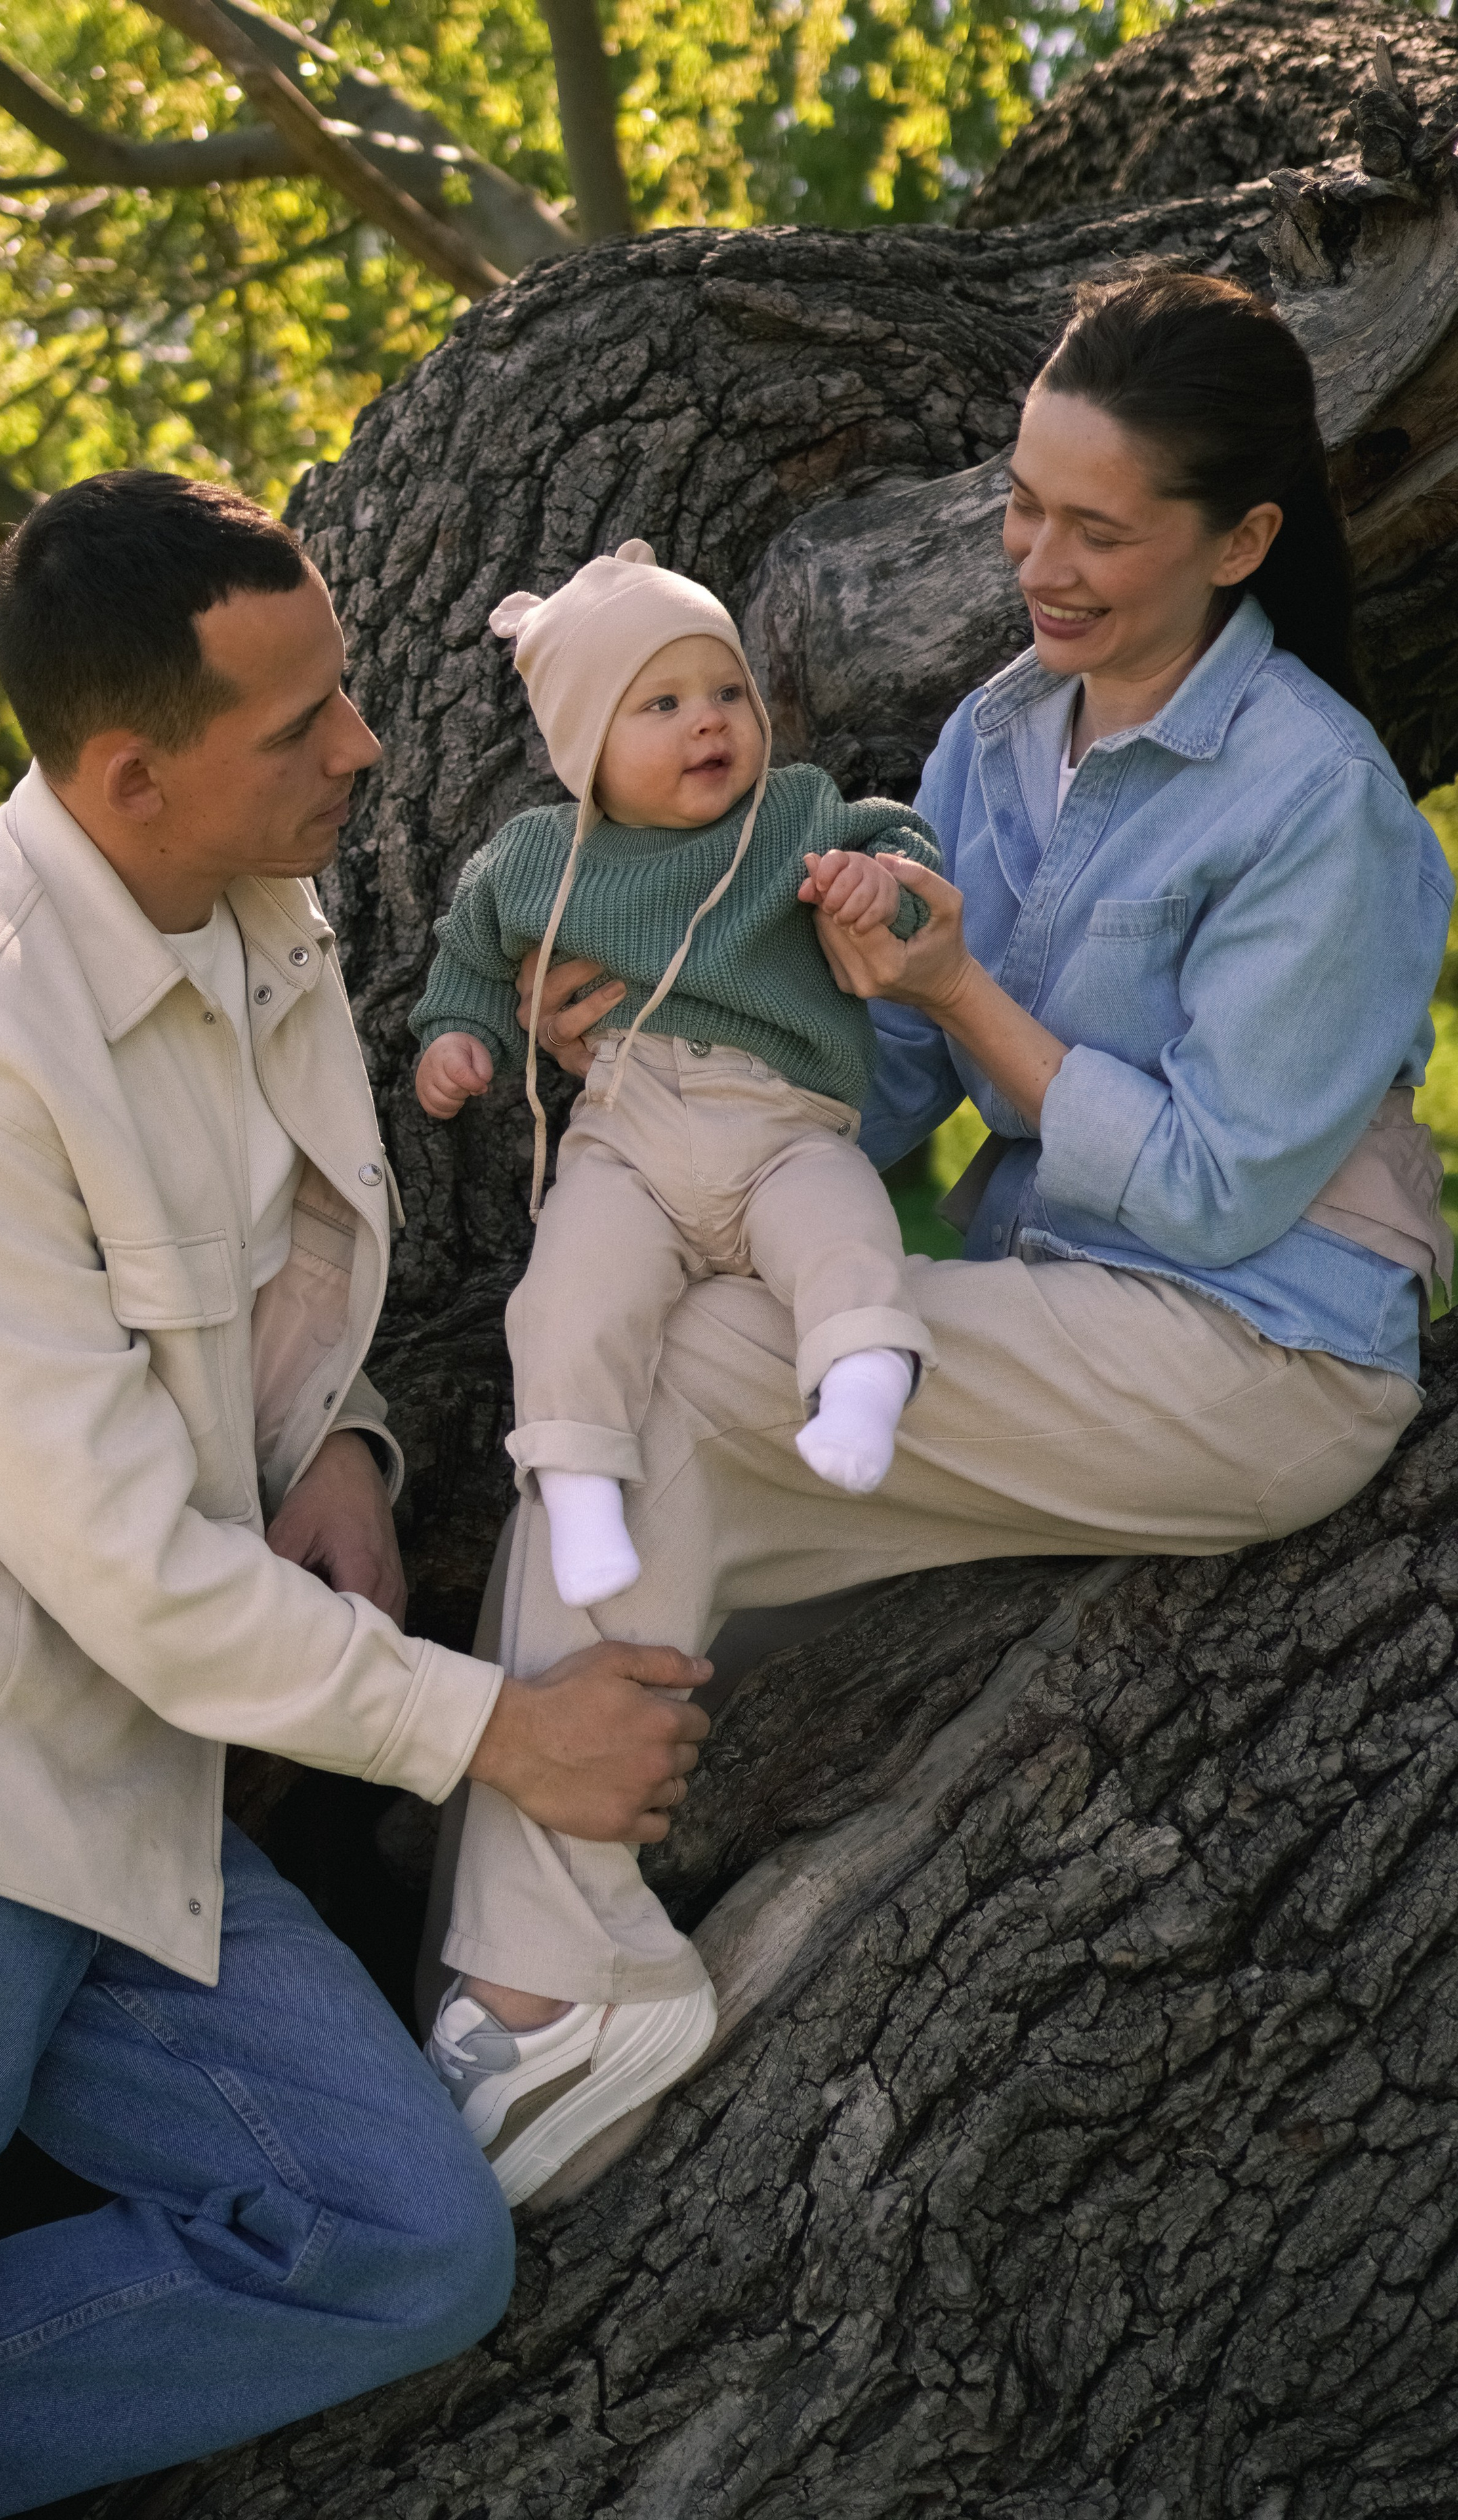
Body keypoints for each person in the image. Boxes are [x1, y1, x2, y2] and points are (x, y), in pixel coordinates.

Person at [425, 270, 1454, 2209]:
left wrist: (973, 1000)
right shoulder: (993, 738)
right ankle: (532, 1991)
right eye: (1021, 506)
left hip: (1270, 1349)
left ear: (1240, 541)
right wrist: (669, 1030)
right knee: (623, 1415)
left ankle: (537, 2000)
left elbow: (1225, 1186)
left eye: (1096, 527)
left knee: (707, 1365)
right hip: (1063, 1324)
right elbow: (872, 1096)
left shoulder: (1319, 800)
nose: (1037, 562)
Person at [0, 470, 712, 2520]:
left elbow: (264, 1286)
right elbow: (125, 1567)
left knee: (404, 2247)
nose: (364, 751)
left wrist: (352, 1452)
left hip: (148, 1785)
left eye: (345, 693)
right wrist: (506, 1738)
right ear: (129, 775)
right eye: (300, 728)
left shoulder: (251, 919)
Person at [409, 541, 940, 2200]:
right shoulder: (535, 865)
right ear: (584, 751)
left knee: (840, 1240)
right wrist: (460, 1043)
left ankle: (859, 1382)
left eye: (722, 690)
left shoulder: (795, 818)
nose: (708, 724)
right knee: (570, 1297)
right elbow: (454, 961)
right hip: (631, 1133)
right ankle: (574, 1486)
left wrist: (884, 894)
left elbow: (904, 862)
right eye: (660, 705)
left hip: (779, 1123)